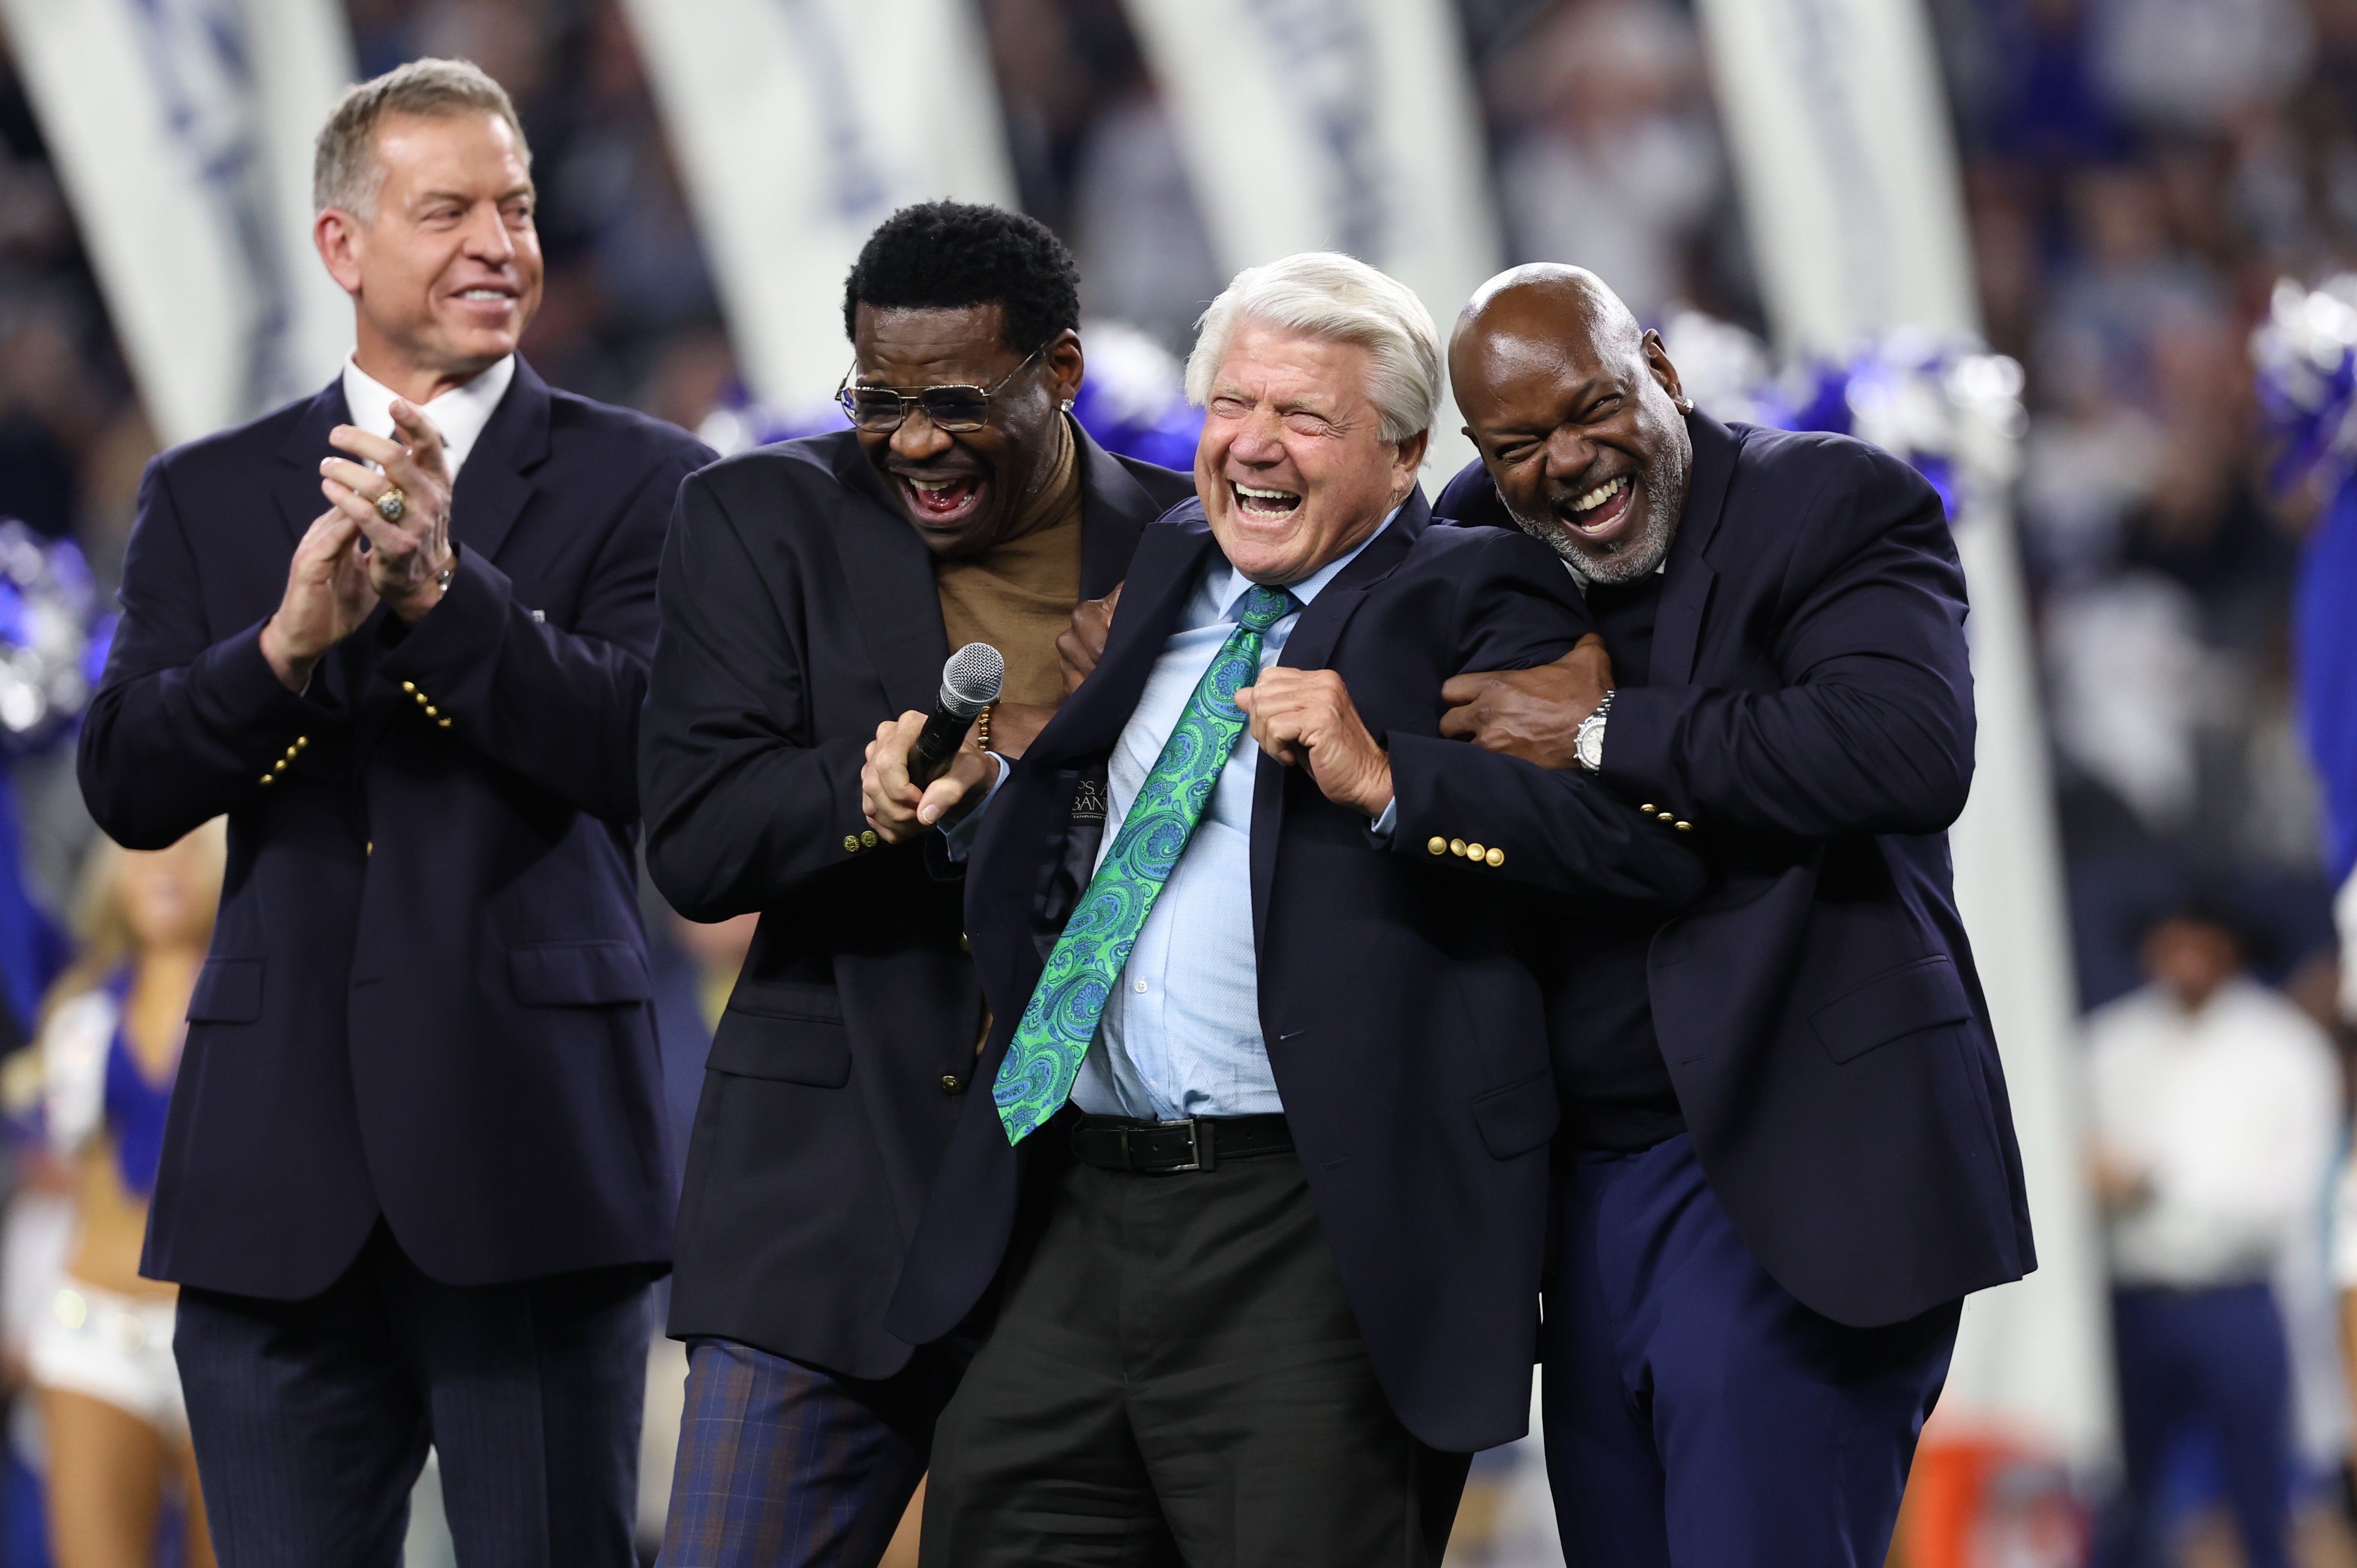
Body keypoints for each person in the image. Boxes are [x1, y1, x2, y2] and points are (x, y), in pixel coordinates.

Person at [874, 251, 1706, 1568]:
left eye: (1303, 417)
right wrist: (973, 792)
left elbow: (1627, 852)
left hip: (1315, 1229)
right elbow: (1108, 815)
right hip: (1076, 1201)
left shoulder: (1478, 591)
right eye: (1232, 406)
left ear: (1402, 451)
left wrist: (1391, 781)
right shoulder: (1170, 559)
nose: (1252, 445)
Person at [75, 59, 711, 1566]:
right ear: (342, 248)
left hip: (533, 1166)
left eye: (520, 207)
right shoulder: (214, 494)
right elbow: (130, 780)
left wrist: (444, 596)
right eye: (450, 212)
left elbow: (651, 757)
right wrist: (282, 652)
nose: (501, 241)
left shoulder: (654, 485)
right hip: (270, 1183)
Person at [1416, 264, 2034, 1565]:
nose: (1571, 462)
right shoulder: (1475, 535)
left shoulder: (1830, 499)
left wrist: (1598, 729)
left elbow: (1908, 749)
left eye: (1595, 408)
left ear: (1662, 369)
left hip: (1789, 1170)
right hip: (1579, 1196)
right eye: (1522, 443)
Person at [637, 200, 1193, 1568]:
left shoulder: (1183, 551)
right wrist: (861, 796)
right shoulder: (756, 519)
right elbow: (696, 840)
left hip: (1090, 1227)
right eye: (877, 398)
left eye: (955, 401)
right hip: (819, 1225)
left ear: (1057, 373)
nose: (913, 440)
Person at [2088, 900, 2335, 1568]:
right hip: (2132, 1301)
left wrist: (2154, 1184)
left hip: (2238, 1301)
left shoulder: (2285, 1051)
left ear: (2230, 950)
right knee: (2122, 1494)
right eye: (2170, 946)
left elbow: (2283, 1196)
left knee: (2260, 1490)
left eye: (2199, 947)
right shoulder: (2107, 1044)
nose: (2184, 963)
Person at [24, 824, 224, 1568]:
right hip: (94, 1336)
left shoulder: (268, 1015)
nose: (166, 860)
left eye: (190, 845)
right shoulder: (79, 1018)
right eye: (146, 843)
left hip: (230, 1340)